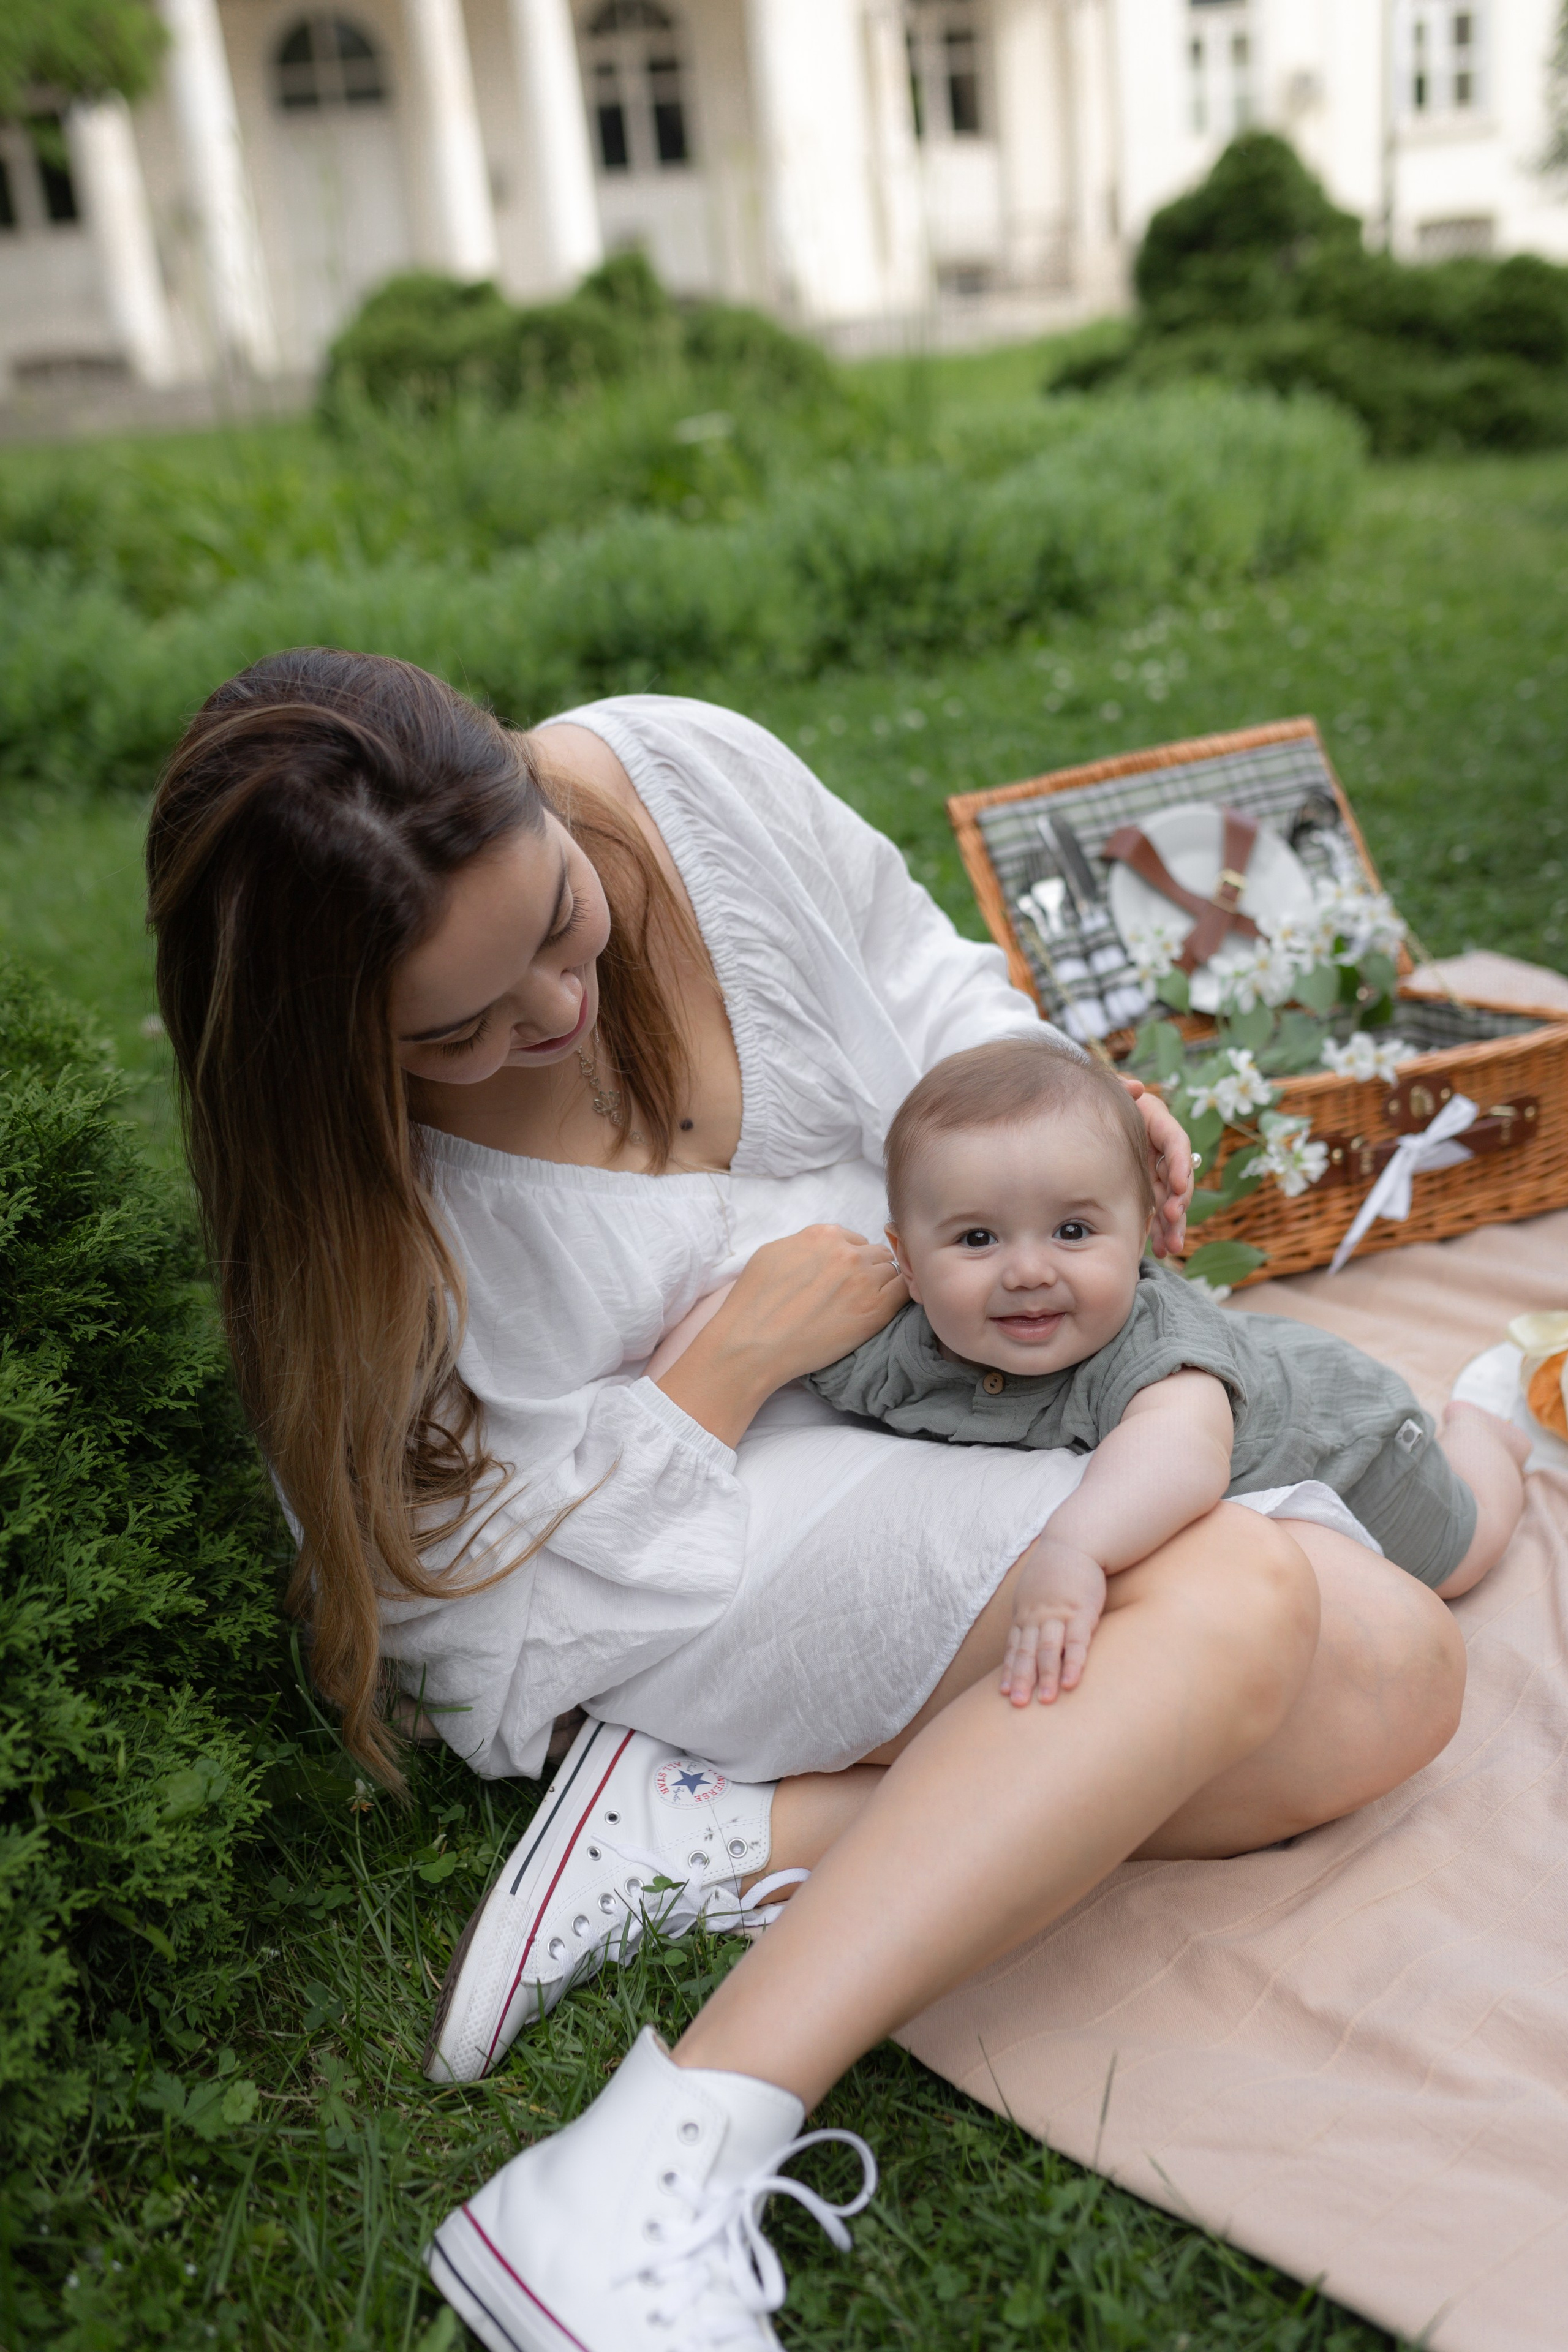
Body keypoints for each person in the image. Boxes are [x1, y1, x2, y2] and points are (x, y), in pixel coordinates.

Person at [148, 654, 1466, 2352]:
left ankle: (745, 1830)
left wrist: (1054, 1113)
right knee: (1261, 1607)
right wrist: (719, 1378)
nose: (549, 1015)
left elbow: (929, 984)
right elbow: (457, 1619)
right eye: (452, 1035)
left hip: (947, 1391)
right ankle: (653, 2158)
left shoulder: (683, 775)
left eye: (559, 924)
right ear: (323, 1053)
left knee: (1393, 1672)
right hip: (688, 1546)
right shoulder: (347, 1220)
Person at [803, 1035, 1526, 1708]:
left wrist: (1076, 1548)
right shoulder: (905, 1348)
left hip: (1350, 1447)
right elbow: (810, 1361)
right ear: (907, 1262)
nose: (1027, 1271)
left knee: (1461, 1555)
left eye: (1073, 1232)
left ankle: (1484, 1436)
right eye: (977, 1237)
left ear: (1141, 1233)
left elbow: (1179, 1455)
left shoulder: (1155, 1353)